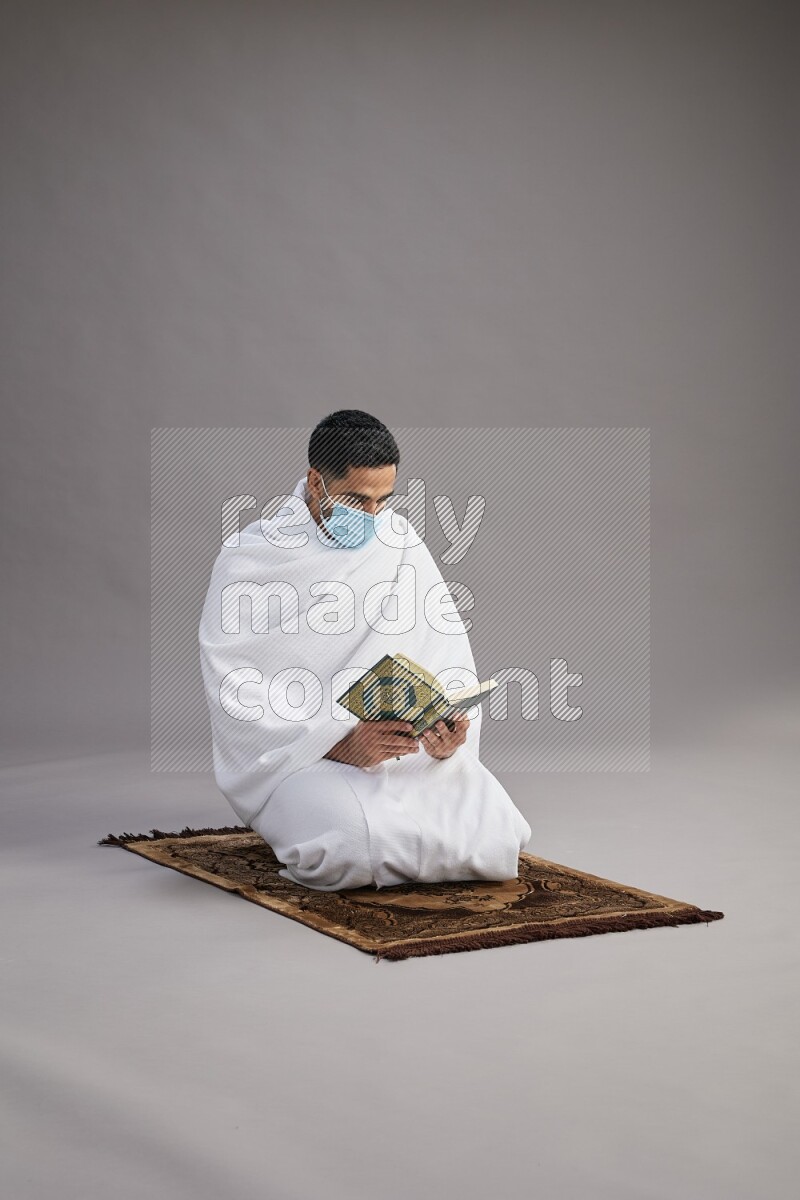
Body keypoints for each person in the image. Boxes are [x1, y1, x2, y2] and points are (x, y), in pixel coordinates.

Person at [198, 410, 532, 891]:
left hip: (404, 751)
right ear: (317, 482)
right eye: (358, 500)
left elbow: (444, 656)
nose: (374, 517)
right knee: (350, 847)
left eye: (384, 500)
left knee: (499, 834)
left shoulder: (399, 543)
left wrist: (448, 733)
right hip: (305, 761)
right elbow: (238, 689)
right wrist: (339, 742)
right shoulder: (249, 561)